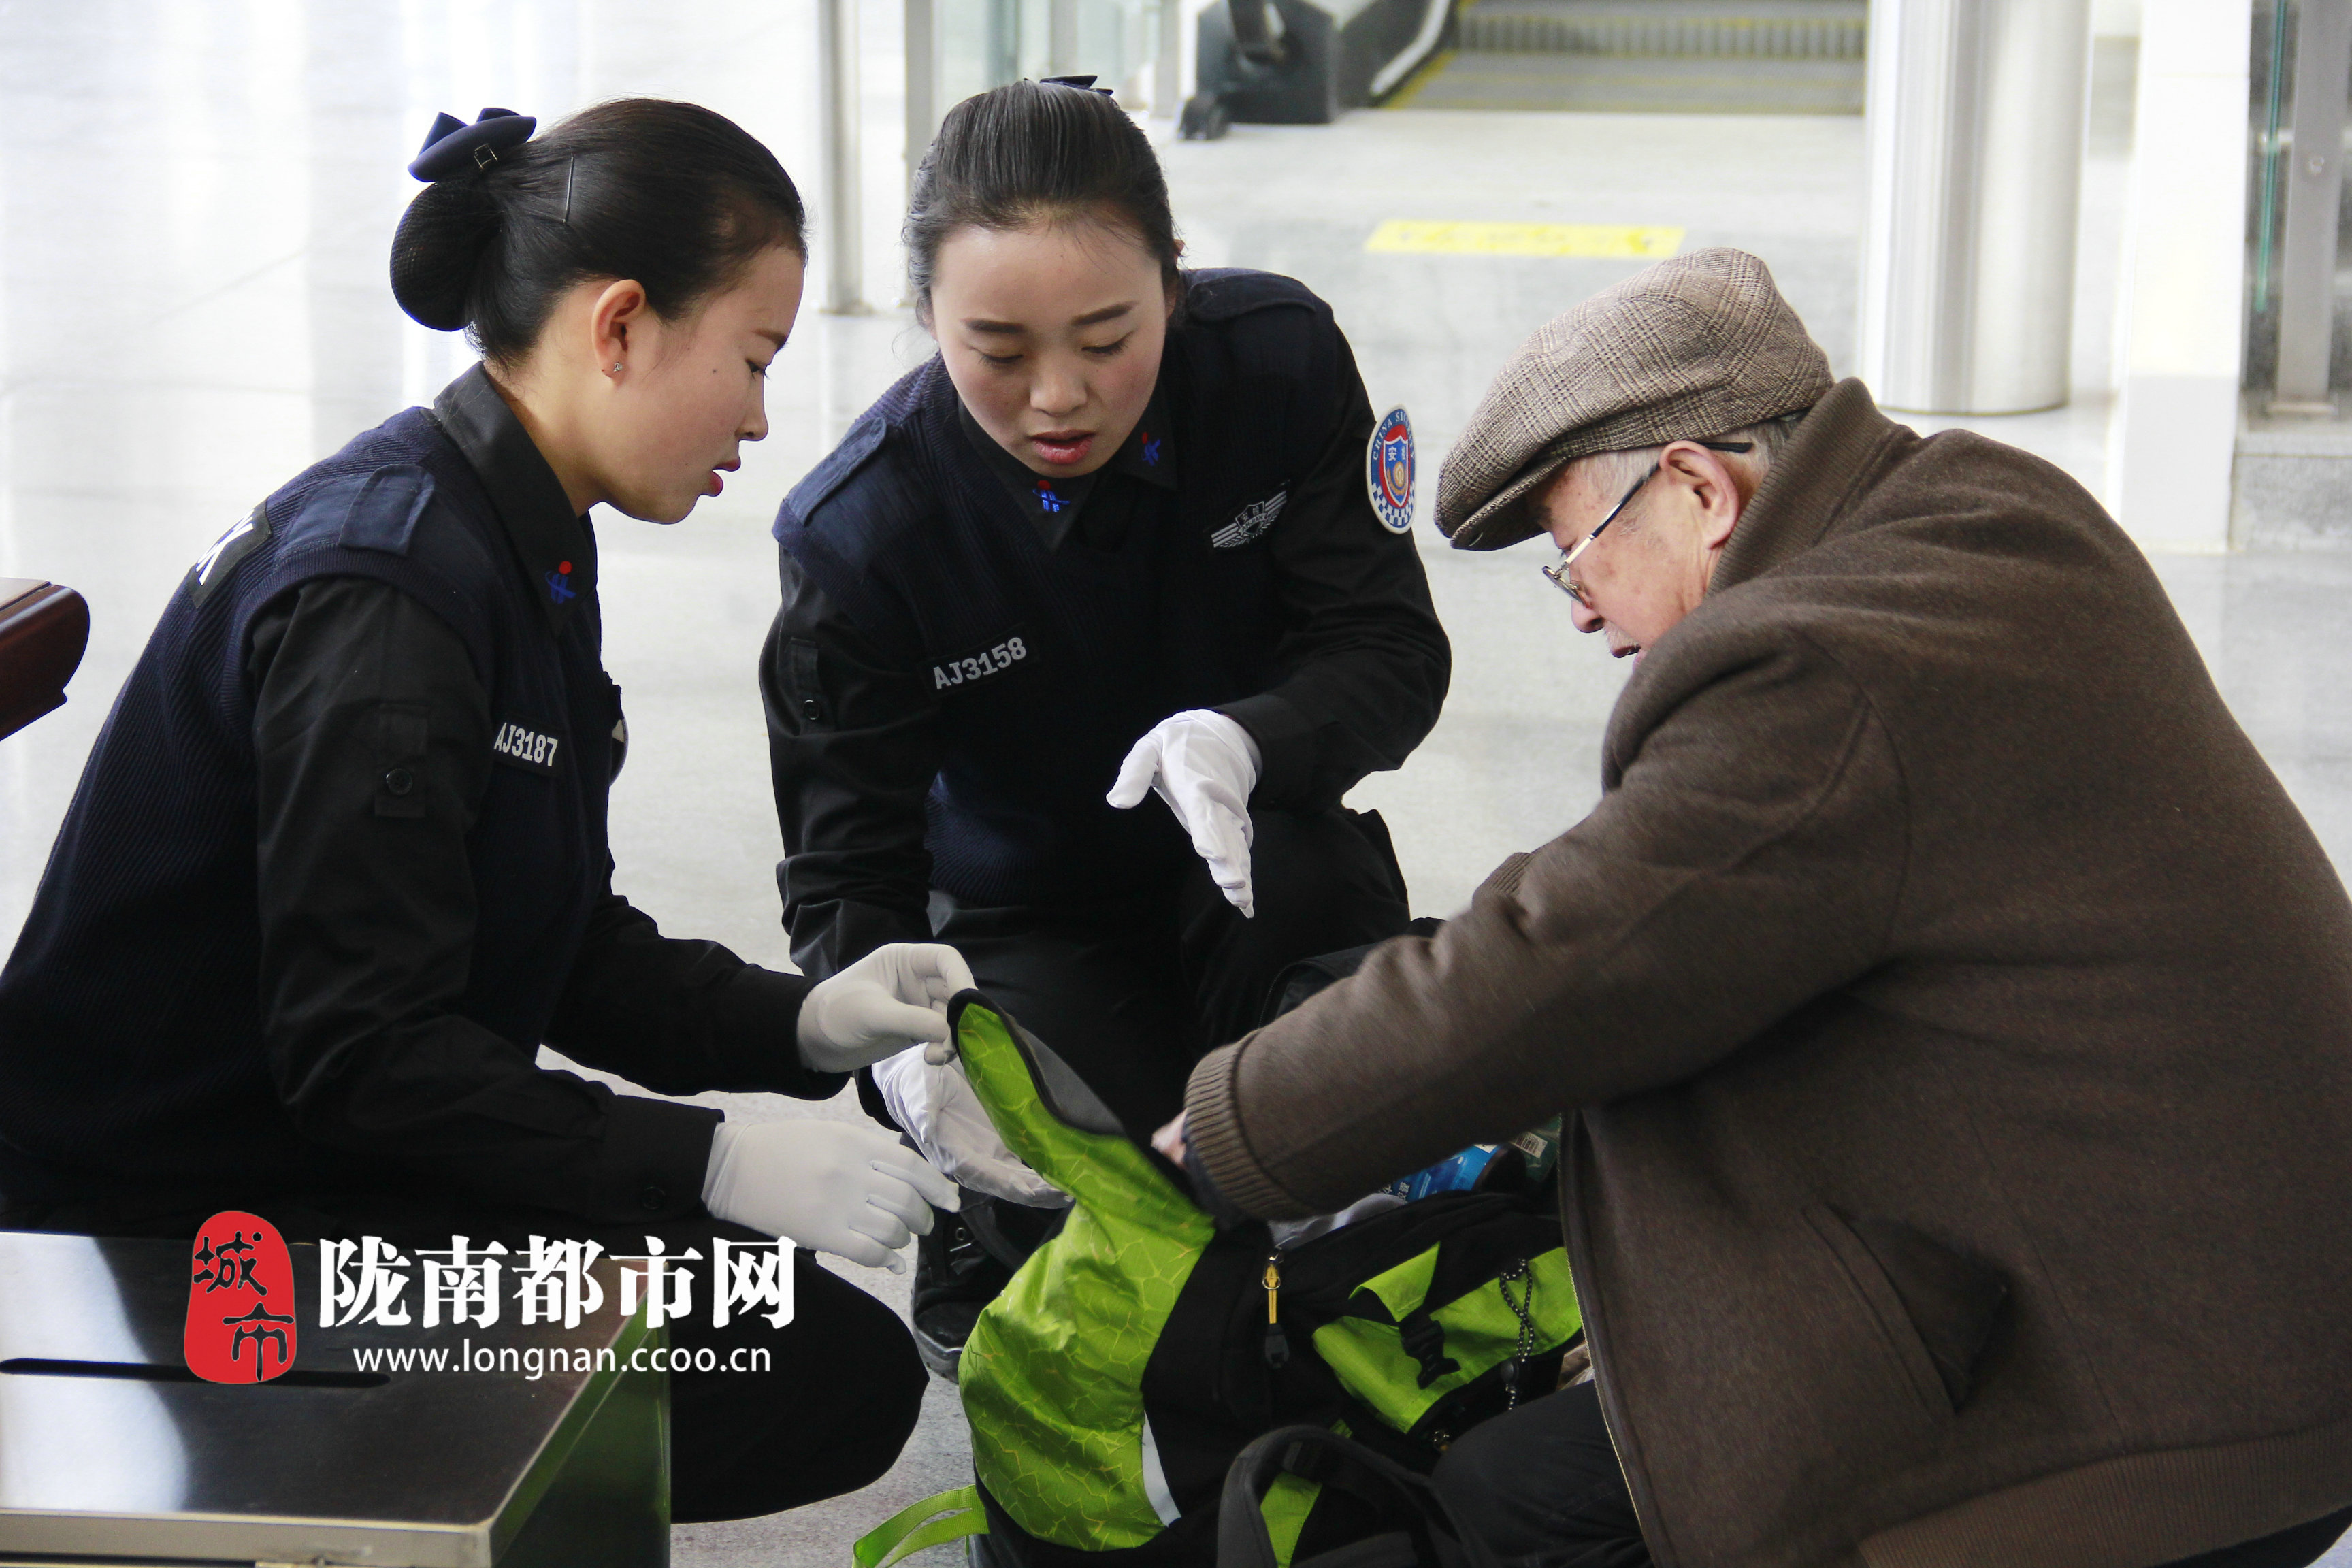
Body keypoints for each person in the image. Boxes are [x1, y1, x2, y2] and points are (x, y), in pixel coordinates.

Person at [1155, 248, 2352, 1568]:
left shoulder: (1817, 662)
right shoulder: (1970, 509)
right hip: (2214, 1300)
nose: (1581, 613)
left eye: (1577, 558)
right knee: (1536, 1467)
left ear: (1698, 488)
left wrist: (1233, 1127)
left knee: (1523, 1504)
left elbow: (1556, 966)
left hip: (2150, 1406)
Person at [0, 101, 965, 1524]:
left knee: (777, 1326)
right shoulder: (388, 599)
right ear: (623, 322)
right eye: (751, 360)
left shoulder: (511, 530)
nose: (761, 417)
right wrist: (709, 1156)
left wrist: (803, 1025)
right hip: (189, 1240)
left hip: (324, 1164)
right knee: (795, 1358)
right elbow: (366, 1056)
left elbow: (538, 937)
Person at [762, 77, 1450, 1372]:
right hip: (1031, 918)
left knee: (1348, 1149)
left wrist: (1252, 738)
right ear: (926, 317)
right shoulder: (862, 533)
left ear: (1176, 284)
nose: (1059, 397)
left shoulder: (1277, 364)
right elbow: (846, 873)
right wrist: (909, 1063)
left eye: (1107, 334)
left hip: (1261, 857)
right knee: (1126, 1251)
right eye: (999, 351)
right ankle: (988, 1221)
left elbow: (1389, 647)